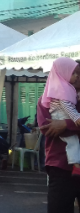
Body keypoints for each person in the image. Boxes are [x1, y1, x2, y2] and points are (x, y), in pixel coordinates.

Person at [38, 58, 80, 213]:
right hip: (61, 166)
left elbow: (60, 126)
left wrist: (65, 124)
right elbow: (46, 127)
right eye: (74, 73)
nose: (77, 77)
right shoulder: (48, 99)